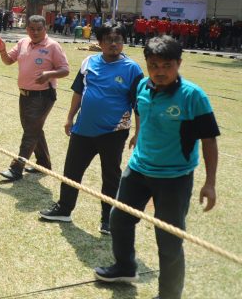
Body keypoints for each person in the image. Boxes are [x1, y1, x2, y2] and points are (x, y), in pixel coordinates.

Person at [94, 36, 219, 299]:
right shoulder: (142, 85)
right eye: (153, 65)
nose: (160, 71)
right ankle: (126, 267)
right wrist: (139, 134)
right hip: (138, 170)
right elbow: (142, 112)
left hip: (174, 177)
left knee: (169, 241)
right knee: (119, 220)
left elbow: (208, 140)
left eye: (167, 65)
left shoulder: (193, 96)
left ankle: (169, 295)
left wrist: (210, 183)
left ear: (179, 63)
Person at [38, 24, 144, 234]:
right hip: (82, 130)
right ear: (100, 42)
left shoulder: (133, 69)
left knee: (111, 176)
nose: (114, 44)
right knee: (71, 171)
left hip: (113, 132)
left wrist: (138, 133)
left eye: (118, 39)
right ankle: (64, 208)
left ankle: (108, 219)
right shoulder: (89, 62)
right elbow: (79, 91)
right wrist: (69, 118)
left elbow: (138, 103)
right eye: (108, 39)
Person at [0, 15, 70, 181]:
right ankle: (43, 164)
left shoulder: (53, 46)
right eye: (32, 29)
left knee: (30, 132)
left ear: (46, 29)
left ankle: (16, 169)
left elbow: (65, 70)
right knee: (34, 130)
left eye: (39, 29)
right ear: (27, 29)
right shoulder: (23, 42)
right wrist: (1, 50)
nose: (35, 32)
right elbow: (8, 61)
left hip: (43, 95)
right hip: (25, 94)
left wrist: (49, 74)